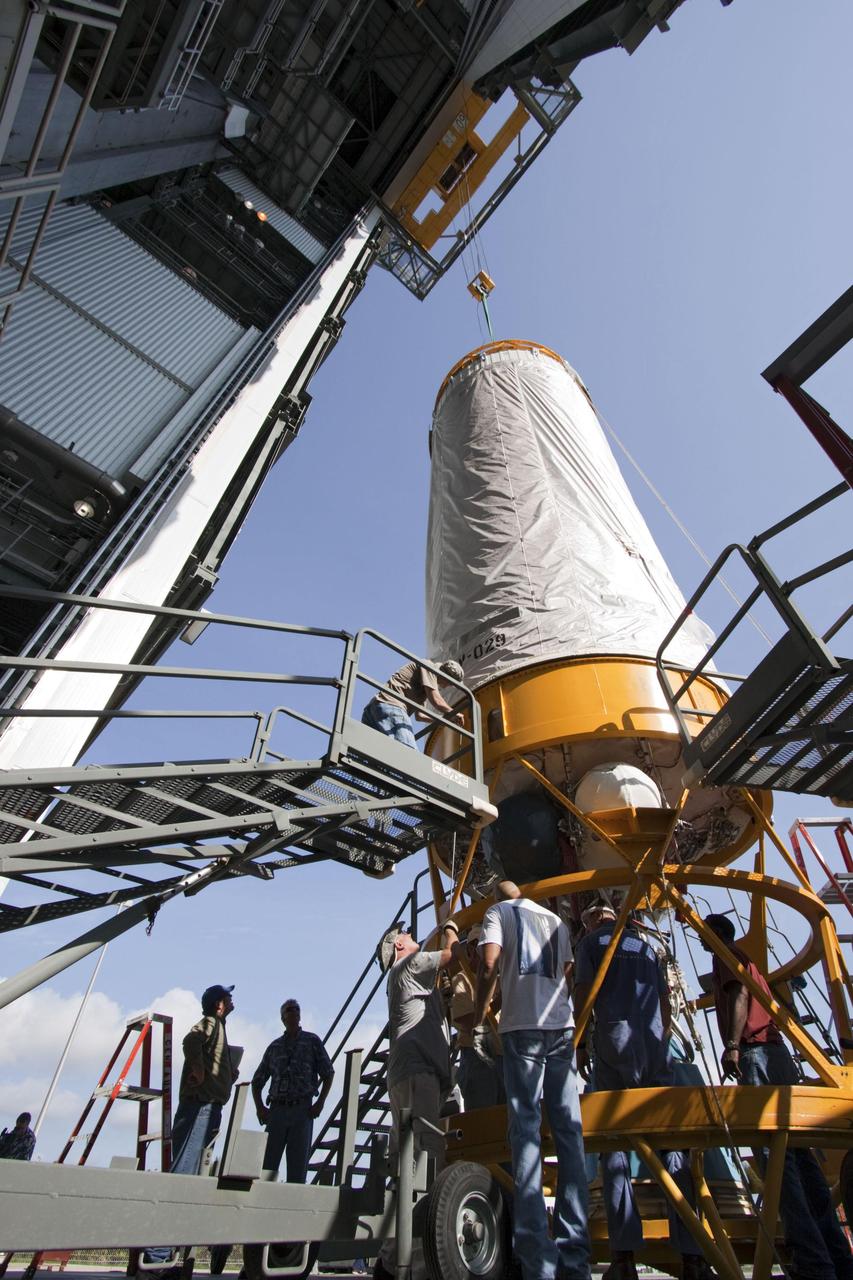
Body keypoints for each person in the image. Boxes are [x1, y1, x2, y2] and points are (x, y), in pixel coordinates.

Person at [703, 913, 853, 1280]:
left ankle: (812, 1262)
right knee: (801, 1158)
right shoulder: (748, 960)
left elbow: (738, 993)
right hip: (779, 1055)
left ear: (715, 933)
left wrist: (732, 1046)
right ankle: (837, 1259)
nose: (702, 941)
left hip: (756, 1055)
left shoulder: (725, 955)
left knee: (776, 1162)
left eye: (703, 933)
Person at [574, 908, 711, 1280]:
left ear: (589, 922)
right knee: (672, 1145)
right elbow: (665, 1000)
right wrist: (662, 1036)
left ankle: (623, 1259)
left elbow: (583, 991)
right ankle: (693, 1256)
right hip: (654, 1046)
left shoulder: (589, 944)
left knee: (614, 1145)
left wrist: (581, 1041)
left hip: (614, 1044)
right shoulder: (647, 946)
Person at [475, 881, 590, 1280]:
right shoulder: (556, 919)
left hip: (522, 1030)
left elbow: (489, 964)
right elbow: (568, 975)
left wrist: (479, 1016)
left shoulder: (498, 914)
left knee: (525, 1135)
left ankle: (537, 1261)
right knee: (570, 1136)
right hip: (561, 1029)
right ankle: (575, 1258)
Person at [374, 920, 462, 1280]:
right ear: (398, 947)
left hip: (407, 1075)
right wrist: (454, 925)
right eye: (408, 936)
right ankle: (421, 1266)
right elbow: (454, 954)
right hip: (418, 1075)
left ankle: (390, 1259)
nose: (414, 936)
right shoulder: (410, 966)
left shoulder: (404, 980)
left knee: (407, 1170)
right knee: (426, 1167)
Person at [143, 984, 237, 1275]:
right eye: (228, 997)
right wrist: (197, 1067)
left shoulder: (218, 1027)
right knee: (183, 1175)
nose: (233, 1001)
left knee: (192, 1176)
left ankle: (168, 1252)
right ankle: (158, 1254)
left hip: (209, 1106)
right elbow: (191, 1041)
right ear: (219, 1005)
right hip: (200, 1106)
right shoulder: (210, 1023)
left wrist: (226, 1075)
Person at [251, 998, 334, 1182]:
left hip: (302, 1110)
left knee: (297, 1169)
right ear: (283, 1018)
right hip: (277, 1111)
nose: (294, 1012)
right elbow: (257, 1081)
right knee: (267, 1167)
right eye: (290, 1010)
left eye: (297, 1009)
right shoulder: (274, 1047)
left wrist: (320, 1103)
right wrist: (260, 1108)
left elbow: (328, 1073)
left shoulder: (312, 1041)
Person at [450, 924, 505, 1110]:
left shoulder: (500, 981)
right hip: (477, 1059)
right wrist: (499, 1001)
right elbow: (467, 1022)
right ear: (472, 949)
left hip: (503, 1057)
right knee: (484, 1119)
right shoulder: (463, 979)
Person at [361, 659, 464, 748]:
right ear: (446, 677)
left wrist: (444, 719)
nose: (448, 686)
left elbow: (420, 716)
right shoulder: (428, 666)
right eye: (451, 683)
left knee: (377, 755)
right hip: (392, 706)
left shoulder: (423, 688)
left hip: (375, 710)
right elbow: (436, 700)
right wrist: (453, 713)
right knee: (408, 753)